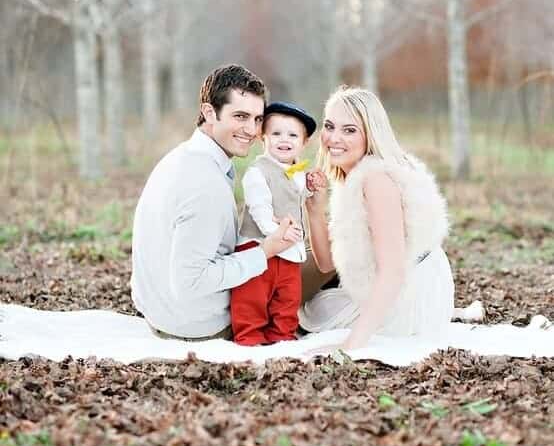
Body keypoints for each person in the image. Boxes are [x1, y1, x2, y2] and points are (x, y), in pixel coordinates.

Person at [131, 64, 302, 341]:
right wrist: (265, 252)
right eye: (240, 116)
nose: (251, 130)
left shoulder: (181, 157)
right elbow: (190, 282)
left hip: (160, 310)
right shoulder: (204, 184)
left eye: (258, 119)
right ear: (210, 112)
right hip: (197, 324)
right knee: (309, 262)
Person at [300, 86, 455, 351]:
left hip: (411, 292)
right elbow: (327, 263)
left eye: (349, 130)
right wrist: (315, 211)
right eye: (329, 126)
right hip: (388, 279)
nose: (334, 138)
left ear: (370, 135)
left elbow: (393, 271)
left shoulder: (376, 180)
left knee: (314, 318)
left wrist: (352, 345)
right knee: (308, 308)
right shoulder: (349, 176)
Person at [231, 102, 317, 345]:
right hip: (260, 246)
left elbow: (296, 198)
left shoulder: (297, 172)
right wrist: (275, 233)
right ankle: (249, 337)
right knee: (252, 296)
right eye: (276, 133)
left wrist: (311, 189)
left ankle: (281, 336)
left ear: (304, 142)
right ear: (263, 138)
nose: (284, 140)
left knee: (288, 298)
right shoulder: (258, 172)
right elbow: (260, 209)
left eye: (292, 135)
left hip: (290, 249)